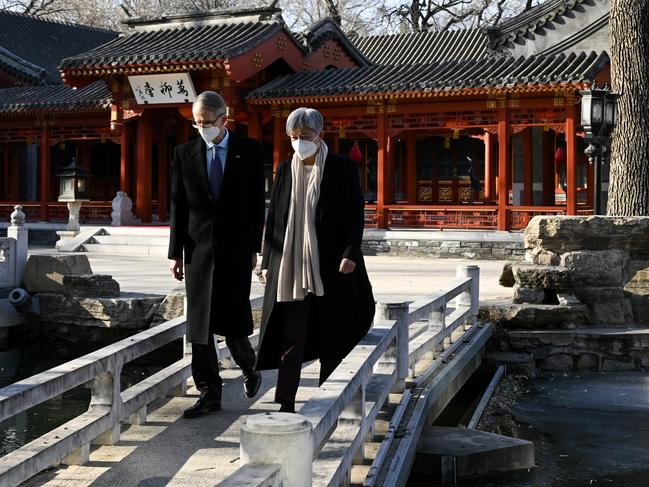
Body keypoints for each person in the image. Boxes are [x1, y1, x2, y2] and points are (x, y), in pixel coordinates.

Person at [257, 107, 375, 413]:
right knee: (291, 335)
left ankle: (329, 399)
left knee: (331, 332)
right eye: (294, 137)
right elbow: (276, 220)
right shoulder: (285, 169)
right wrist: (266, 260)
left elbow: (354, 215)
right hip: (291, 266)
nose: (299, 142)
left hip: (331, 265)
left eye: (305, 136)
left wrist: (351, 253)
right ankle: (285, 402)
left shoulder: (341, 168)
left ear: (319, 135)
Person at [168, 91, 264, 418]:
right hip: (197, 249)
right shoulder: (184, 153)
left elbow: (255, 205)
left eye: (207, 122)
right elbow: (178, 206)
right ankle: (209, 393)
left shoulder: (249, 151)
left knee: (233, 320)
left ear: (224, 119)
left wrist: (255, 248)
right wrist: (175, 253)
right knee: (200, 325)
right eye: (197, 123)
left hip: (236, 248)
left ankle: (250, 367)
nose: (202, 128)